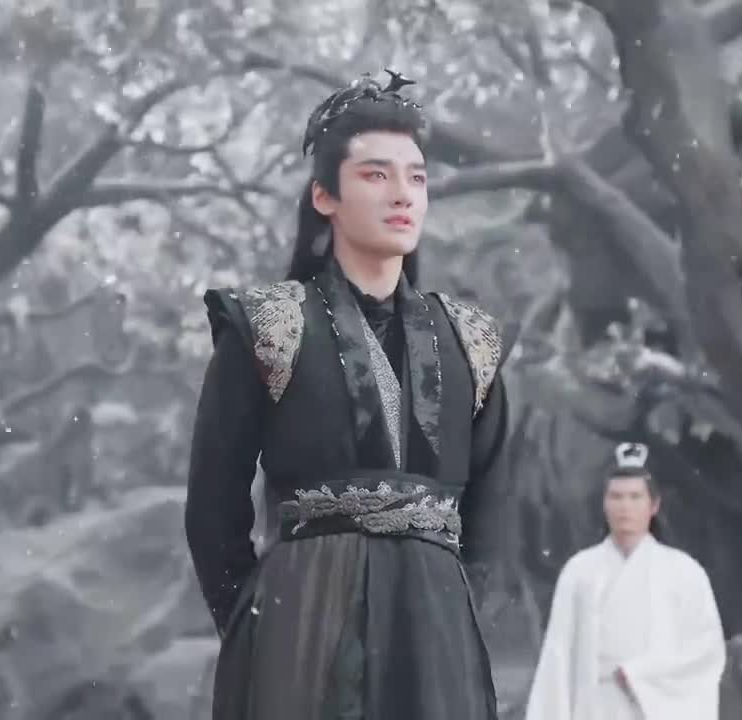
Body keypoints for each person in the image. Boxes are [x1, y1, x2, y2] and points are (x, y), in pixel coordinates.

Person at [184, 69, 512, 720]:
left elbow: (494, 517)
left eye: (416, 177)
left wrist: (450, 612)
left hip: (436, 629)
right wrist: (259, 621)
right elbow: (212, 511)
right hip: (301, 618)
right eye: (376, 175)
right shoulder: (268, 327)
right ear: (324, 196)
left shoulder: (470, 340)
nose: (403, 194)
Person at [523, 442, 726, 720]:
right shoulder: (579, 572)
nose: (625, 507)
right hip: (594, 706)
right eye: (616, 497)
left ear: (653, 505)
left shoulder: (684, 572)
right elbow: (557, 659)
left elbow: (705, 651)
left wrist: (641, 674)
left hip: (654, 708)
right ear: (604, 503)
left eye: (635, 497)